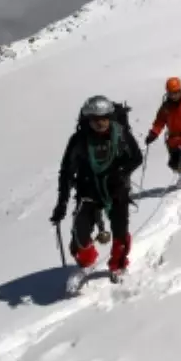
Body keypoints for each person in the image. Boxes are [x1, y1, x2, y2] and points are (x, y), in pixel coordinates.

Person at [52, 95, 143, 275]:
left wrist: (121, 173)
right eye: (95, 119)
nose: (100, 123)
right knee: (81, 232)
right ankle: (87, 261)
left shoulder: (121, 134)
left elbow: (136, 157)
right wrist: (61, 203)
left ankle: (118, 264)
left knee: (120, 232)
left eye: (103, 118)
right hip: (88, 190)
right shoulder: (79, 140)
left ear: (110, 117)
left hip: (116, 189)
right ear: (88, 120)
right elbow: (67, 172)